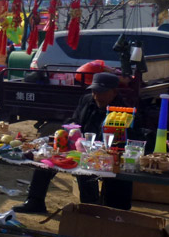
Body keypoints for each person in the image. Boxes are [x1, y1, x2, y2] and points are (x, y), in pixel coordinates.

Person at [13, 73, 132, 214]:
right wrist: (71, 128)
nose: (96, 96)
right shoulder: (87, 100)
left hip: (103, 155)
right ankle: (35, 201)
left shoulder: (123, 111)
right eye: (94, 92)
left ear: (114, 92)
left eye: (102, 93)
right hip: (77, 149)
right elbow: (75, 120)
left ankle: (90, 208)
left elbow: (124, 140)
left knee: (86, 173)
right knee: (46, 161)